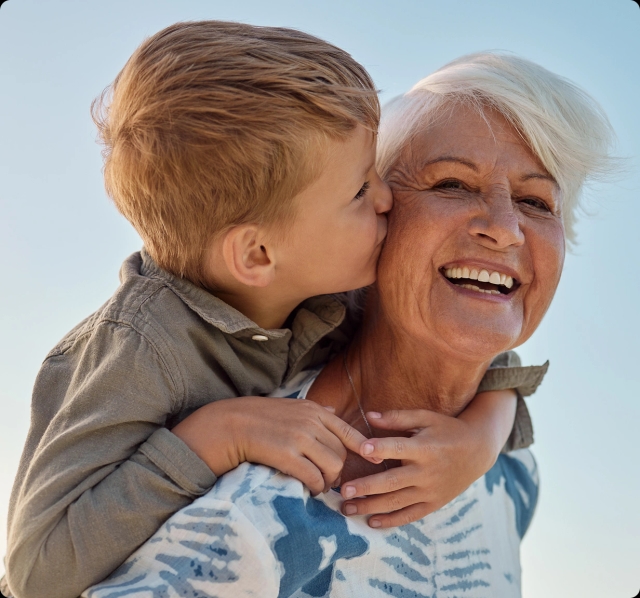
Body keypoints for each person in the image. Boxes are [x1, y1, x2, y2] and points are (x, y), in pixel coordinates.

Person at [1, 24, 529, 598]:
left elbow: (475, 334)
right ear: (257, 254)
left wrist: (479, 439)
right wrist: (212, 438)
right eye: (358, 191)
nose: (386, 199)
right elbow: (37, 572)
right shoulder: (138, 351)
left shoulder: (326, 286)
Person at [83, 52, 616, 598]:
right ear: (377, 221)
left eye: (536, 201)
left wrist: (484, 437)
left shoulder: (512, 476)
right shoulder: (250, 513)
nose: (505, 229)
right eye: (452, 184)